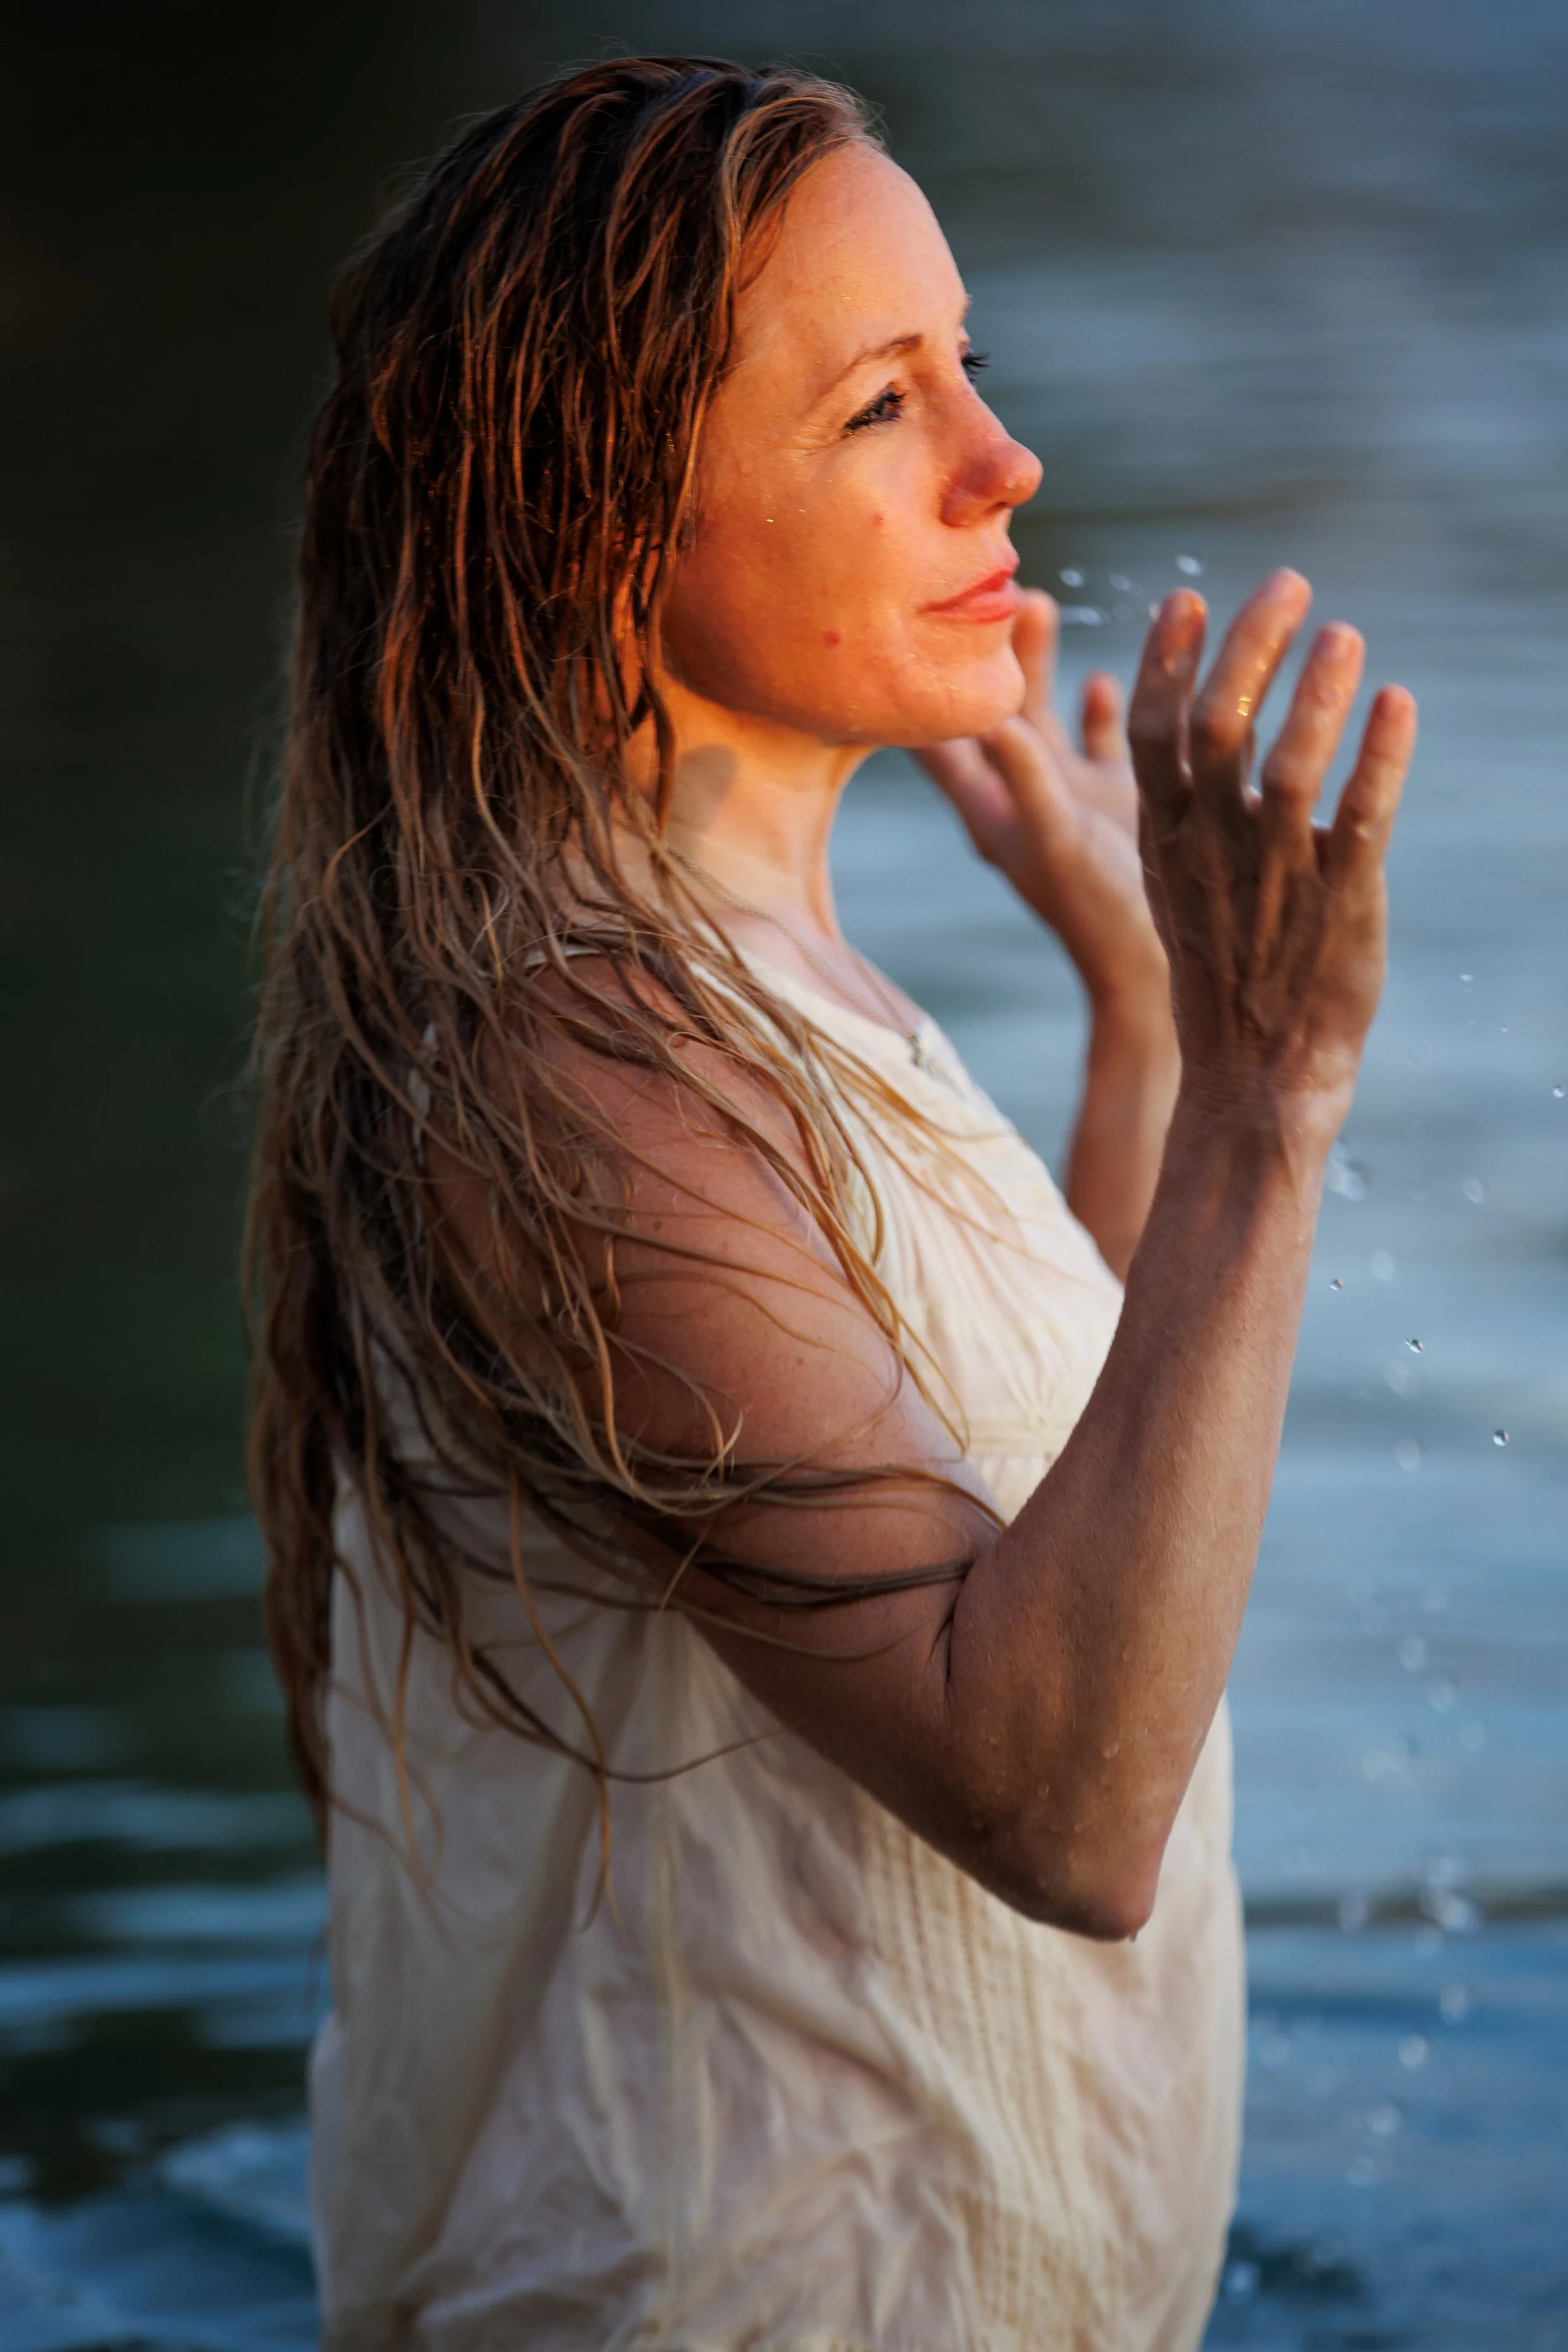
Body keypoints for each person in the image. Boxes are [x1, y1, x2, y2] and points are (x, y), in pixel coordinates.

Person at [246, 55, 1416, 2352]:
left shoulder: (748, 992)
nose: (1005, 461)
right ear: (603, 530)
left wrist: (1153, 1026)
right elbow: (1059, 1786)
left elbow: (1051, 1529)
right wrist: (1274, 1091)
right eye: (882, 407)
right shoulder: (568, 1063)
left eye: (965, 366)